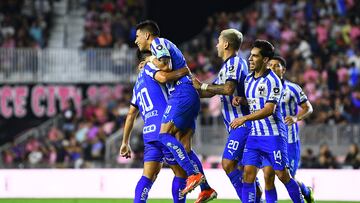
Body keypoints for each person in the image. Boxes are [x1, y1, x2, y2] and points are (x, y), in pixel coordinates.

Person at [134, 20, 215, 199]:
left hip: (181, 93)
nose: (136, 40)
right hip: (189, 95)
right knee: (185, 149)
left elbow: (165, 67)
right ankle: (206, 189)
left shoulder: (158, 43)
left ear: (147, 35)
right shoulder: (162, 46)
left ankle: (193, 175)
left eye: (138, 36)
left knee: (163, 135)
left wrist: (150, 60)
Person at [193, 28, 263, 203]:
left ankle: (252, 199)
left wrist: (202, 86)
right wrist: (187, 88)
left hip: (243, 124)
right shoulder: (227, 67)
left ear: (226, 44)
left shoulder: (235, 63)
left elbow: (227, 89)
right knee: (245, 170)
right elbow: (210, 92)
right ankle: (257, 195)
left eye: (219, 41)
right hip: (237, 126)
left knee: (228, 163)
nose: (217, 45)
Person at [230, 40, 304, 203]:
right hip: (254, 135)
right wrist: (242, 100)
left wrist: (244, 118)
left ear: (264, 60)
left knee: (282, 175)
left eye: (255, 56)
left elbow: (269, 109)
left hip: (274, 136)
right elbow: (255, 101)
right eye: (250, 55)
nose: (250, 59)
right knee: (248, 174)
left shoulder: (273, 81)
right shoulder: (248, 79)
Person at [120, 50, 190, 202]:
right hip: (164, 129)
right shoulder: (151, 68)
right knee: (181, 173)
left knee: (148, 176)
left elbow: (131, 115)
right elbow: (164, 77)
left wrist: (125, 142)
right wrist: (184, 71)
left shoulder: (137, 86)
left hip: (149, 134)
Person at [265, 55, 315, 203]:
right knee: (268, 176)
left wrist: (296, 118)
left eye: (277, 65)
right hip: (270, 139)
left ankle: (305, 191)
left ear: (283, 70)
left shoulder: (292, 88)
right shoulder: (262, 89)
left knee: (287, 177)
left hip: (289, 141)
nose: (273, 68)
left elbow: (308, 108)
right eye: (270, 65)